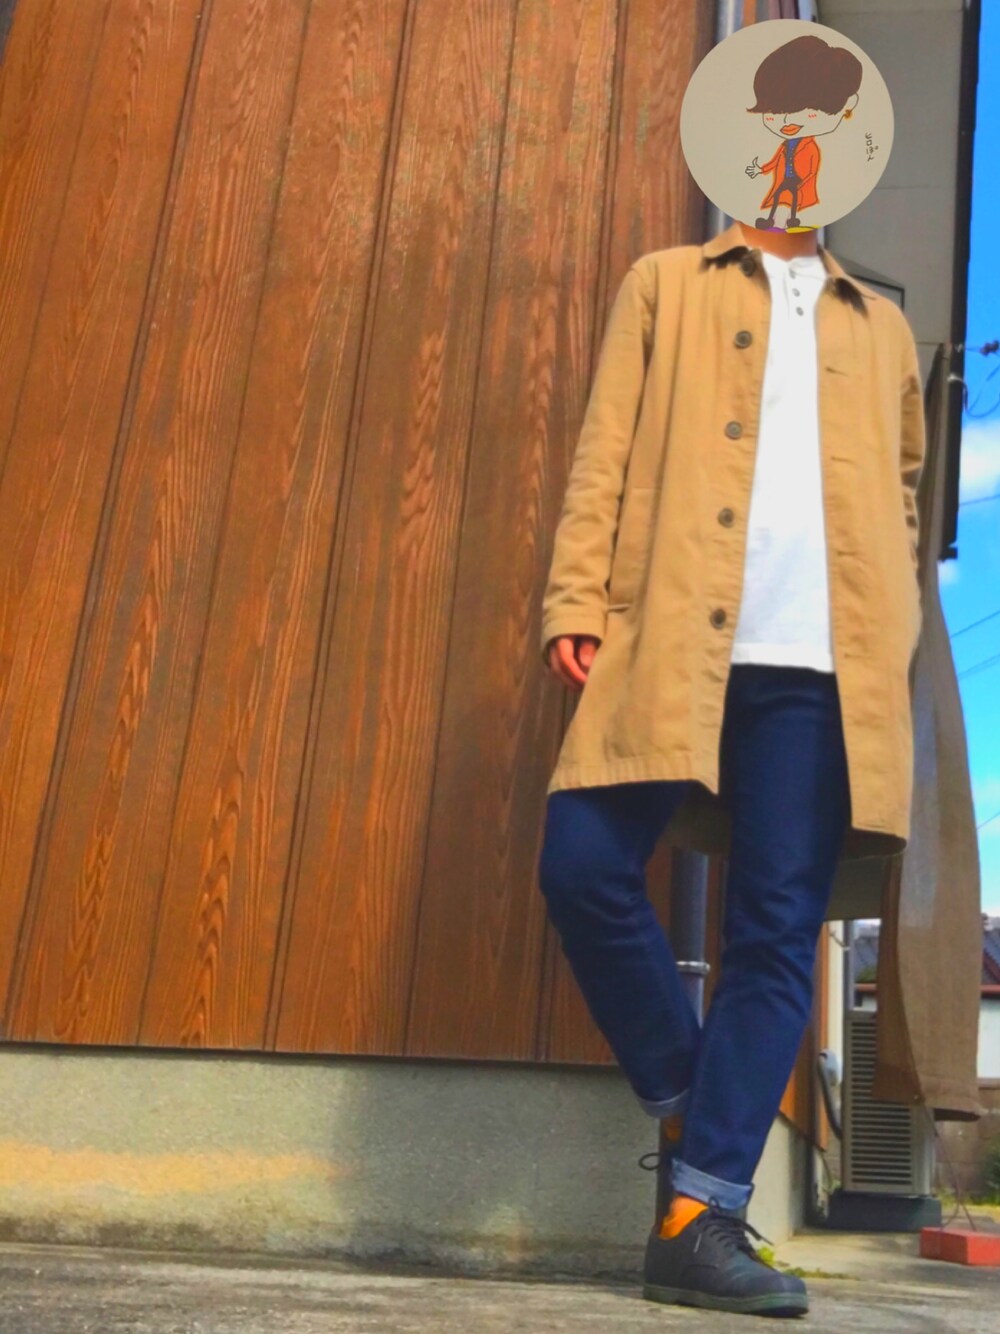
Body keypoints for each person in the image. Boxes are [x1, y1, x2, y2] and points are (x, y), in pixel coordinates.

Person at [537, 216, 925, 1318]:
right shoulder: (665, 281)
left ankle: (698, 1220)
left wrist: (891, 633)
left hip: (825, 667)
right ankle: (690, 1098)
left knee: (773, 934)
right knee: (581, 864)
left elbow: (902, 492)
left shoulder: (883, 325)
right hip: (671, 629)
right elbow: (605, 447)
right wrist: (576, 594)